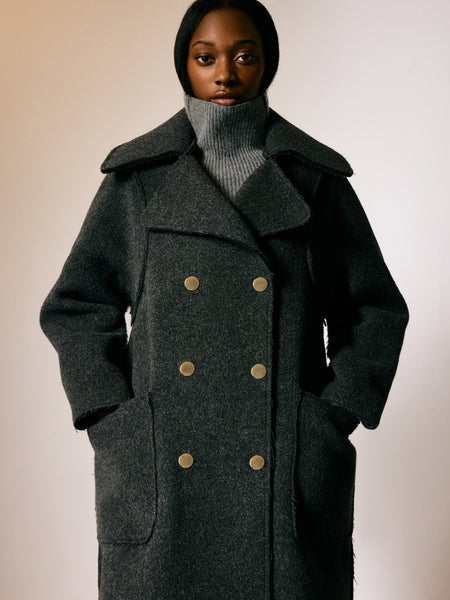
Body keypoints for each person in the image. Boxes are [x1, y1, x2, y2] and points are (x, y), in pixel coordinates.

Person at [40, 1, 409, 598]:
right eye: (205, 57)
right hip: (163, 473)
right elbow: (77, 306)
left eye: (244, 56)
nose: (225, 74)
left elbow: (373, 311)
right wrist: (110, 415)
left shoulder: (314, 181)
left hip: (283, 474)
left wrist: (331, 415)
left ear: (267, 63)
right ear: (184, 65)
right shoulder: (138, 181)